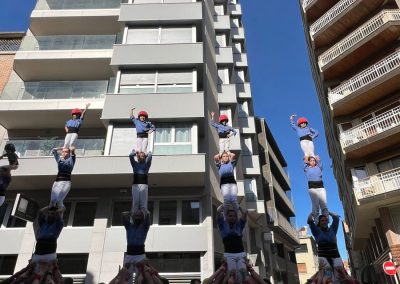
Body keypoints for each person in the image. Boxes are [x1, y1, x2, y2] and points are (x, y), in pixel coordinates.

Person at [308, 212, 345, 284]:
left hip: (335, 255)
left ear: (328, 221)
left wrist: (327, 212)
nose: (324, 222)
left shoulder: (333, 229)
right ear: (319, 222)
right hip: (323, 256)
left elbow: (336, 218)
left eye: (326, 220)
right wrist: (313, 213)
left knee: (339, 271)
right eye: (322, 220)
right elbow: (310, 220)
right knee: (328, 272)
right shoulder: (316, 231)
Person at [31, 206, 65, 283]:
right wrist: (49, 206)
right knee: (35, 275)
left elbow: (63, 209)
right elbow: (40, 211)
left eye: (52, 214)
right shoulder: (43, 223)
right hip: (38, 252)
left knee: (48, 276)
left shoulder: (58, 224)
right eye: (49, 213)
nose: (50, 215)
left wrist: (57, 212)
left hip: (49, 253)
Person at [217, 205, 248, 277]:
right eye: (230, 216)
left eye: (234, 216)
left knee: (243, 275)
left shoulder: (239, 225)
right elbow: (218, 211)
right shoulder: (222, 225)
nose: (232, 217)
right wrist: (224, 204)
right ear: (226, 217)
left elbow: (245, 214)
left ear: (236, 217)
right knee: (231, 275)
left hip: (241, 254)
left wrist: (239, 206)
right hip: (229, 255)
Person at [122, 209, 151, 281]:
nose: (137, 217)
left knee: (142, 278)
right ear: (133, 217)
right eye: (136, 216)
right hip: (129, 255)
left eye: (139, 216)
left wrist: (143, 212)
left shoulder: (144, 227)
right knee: (126, 278)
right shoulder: (128, 226)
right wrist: (131, 213)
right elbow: (123, 214)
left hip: (140, 255)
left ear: (142, 217)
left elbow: (148, 214)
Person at [214, 152, 239, 217]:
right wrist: (221, 154)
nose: (225, 157)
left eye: (227, 156)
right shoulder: (219, 165)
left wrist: (228, 153)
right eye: (224, 156)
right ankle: (225, 218)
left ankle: (236, 217)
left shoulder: (231, 163)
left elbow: (233, 155)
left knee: (234, 201)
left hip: (232, 183)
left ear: (229, 157)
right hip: (224, 184)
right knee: (227, 200)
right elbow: (216, 157)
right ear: (221, 158)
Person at [304, 156, 328, 221]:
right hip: (312, 189)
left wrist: (318, 159)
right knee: (315, 206)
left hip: (321, 188)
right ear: (309, 162)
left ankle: (326, 220)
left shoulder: (318, 167)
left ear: (315, 162)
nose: (312, 161)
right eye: (311, 160)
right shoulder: (307, 168)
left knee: (324, 205)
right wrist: (306, 158)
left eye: (313, 160)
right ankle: (317, 221)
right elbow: (305, 161)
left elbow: (320, 162)